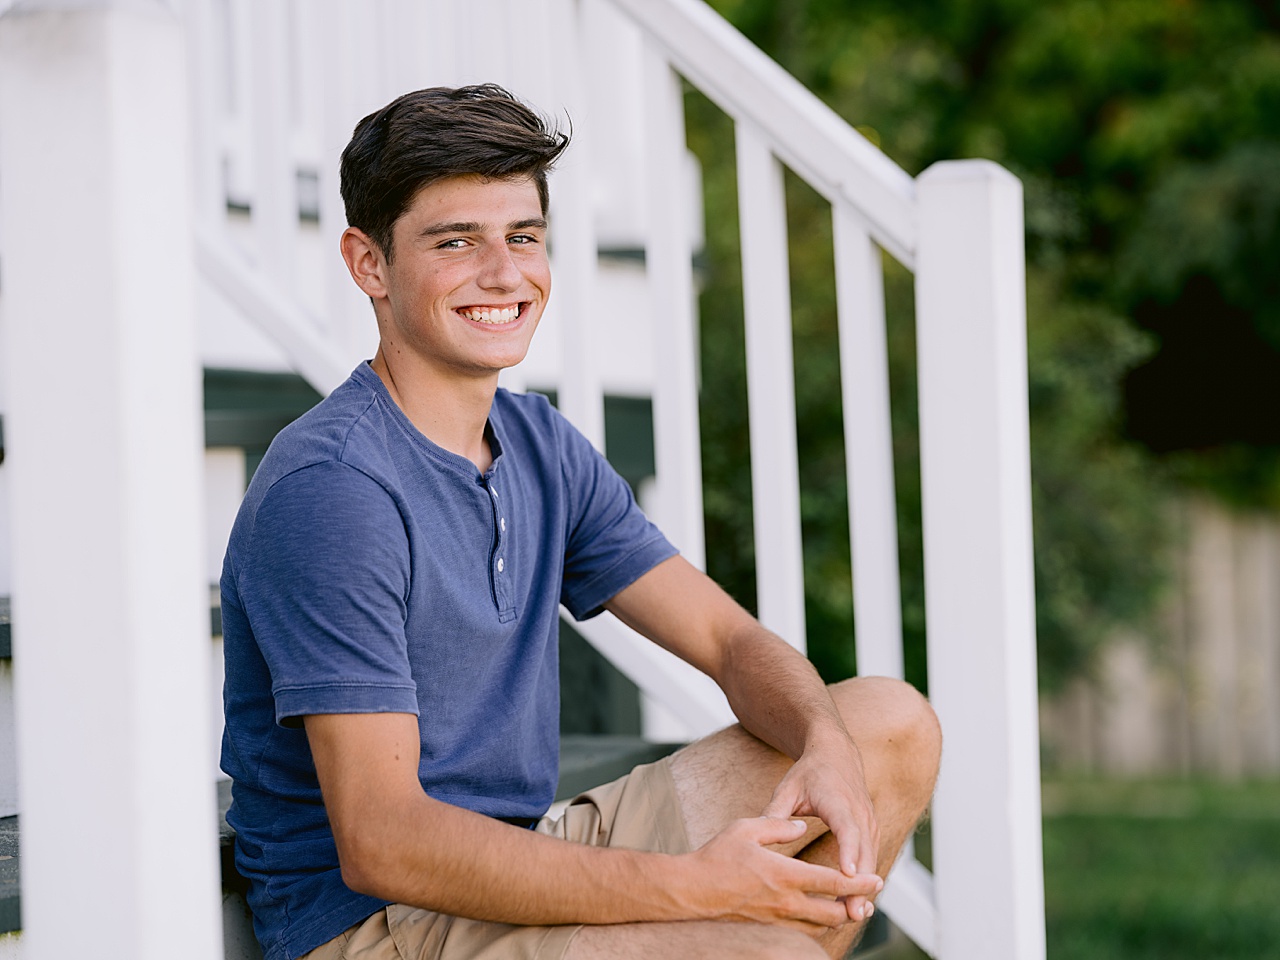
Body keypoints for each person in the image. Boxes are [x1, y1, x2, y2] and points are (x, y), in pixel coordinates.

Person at [220, 83, 941, 960]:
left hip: (529, 851)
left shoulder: (535, 443)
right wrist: (697, 891)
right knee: (763, 952)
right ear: (369, 263)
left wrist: (822, 745)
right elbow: (386, 841)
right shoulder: (335, 490)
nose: (503, 274)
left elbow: (726, 641)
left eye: (523, 237)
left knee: (887, 727)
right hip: (382, 929)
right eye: (456, 242)